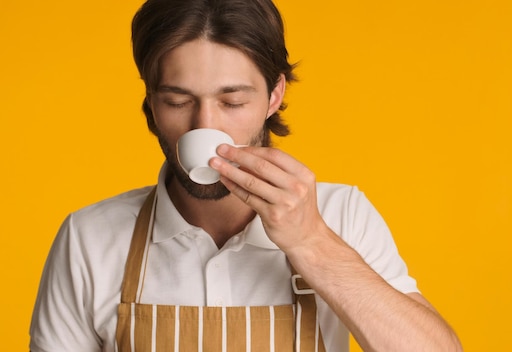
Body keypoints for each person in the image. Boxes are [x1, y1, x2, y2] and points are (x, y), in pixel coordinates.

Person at [29, 0, 462, 351]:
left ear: (274, 95)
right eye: (178, 101)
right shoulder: (90, 237)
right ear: (151, 102)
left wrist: (312, 241)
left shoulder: (341, 214)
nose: (204, 125)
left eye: (232, 101)